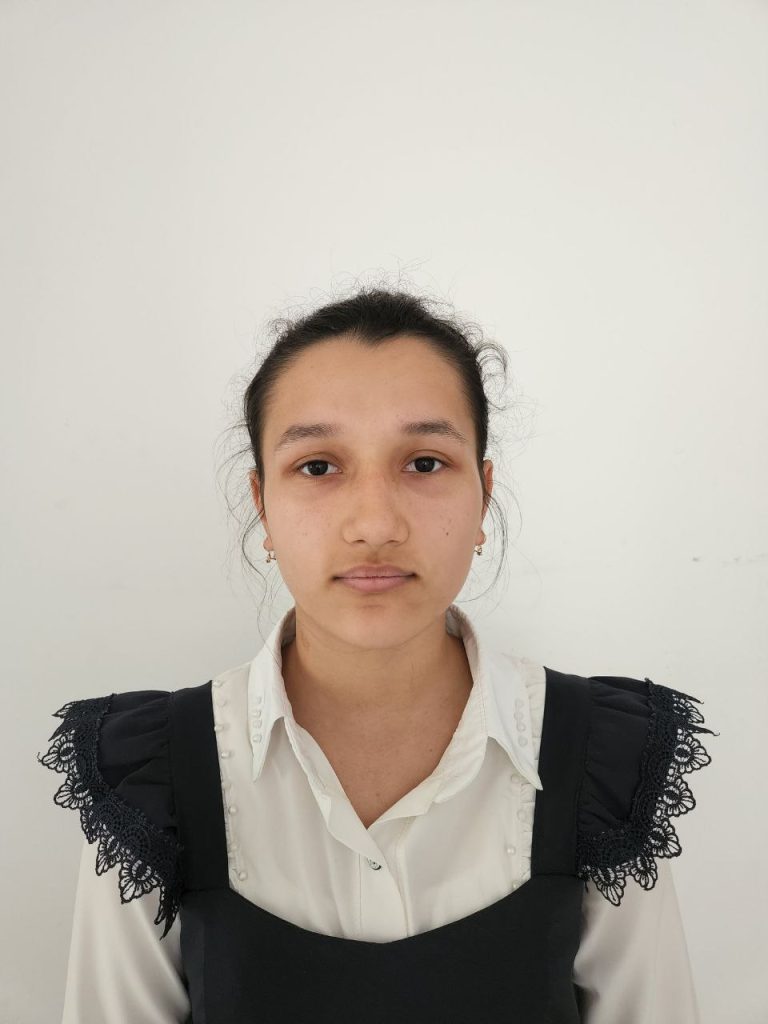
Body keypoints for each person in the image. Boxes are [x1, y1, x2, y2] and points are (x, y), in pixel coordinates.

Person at [38, 286, 718, 1023]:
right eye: (319, 467)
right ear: (261, 504)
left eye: (424, 463)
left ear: (483, 495)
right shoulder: (151, 781)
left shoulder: (603, 764)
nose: (374, 523)